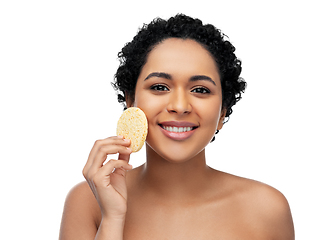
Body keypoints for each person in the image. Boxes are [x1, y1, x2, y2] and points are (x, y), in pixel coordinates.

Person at [59, 14, 294, 240]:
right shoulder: (88, 201)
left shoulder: (267, 209)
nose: (180, 106)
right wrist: (112, 218)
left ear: (223, 112)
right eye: (160, 87)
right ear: (130, 101)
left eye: (200, 90)